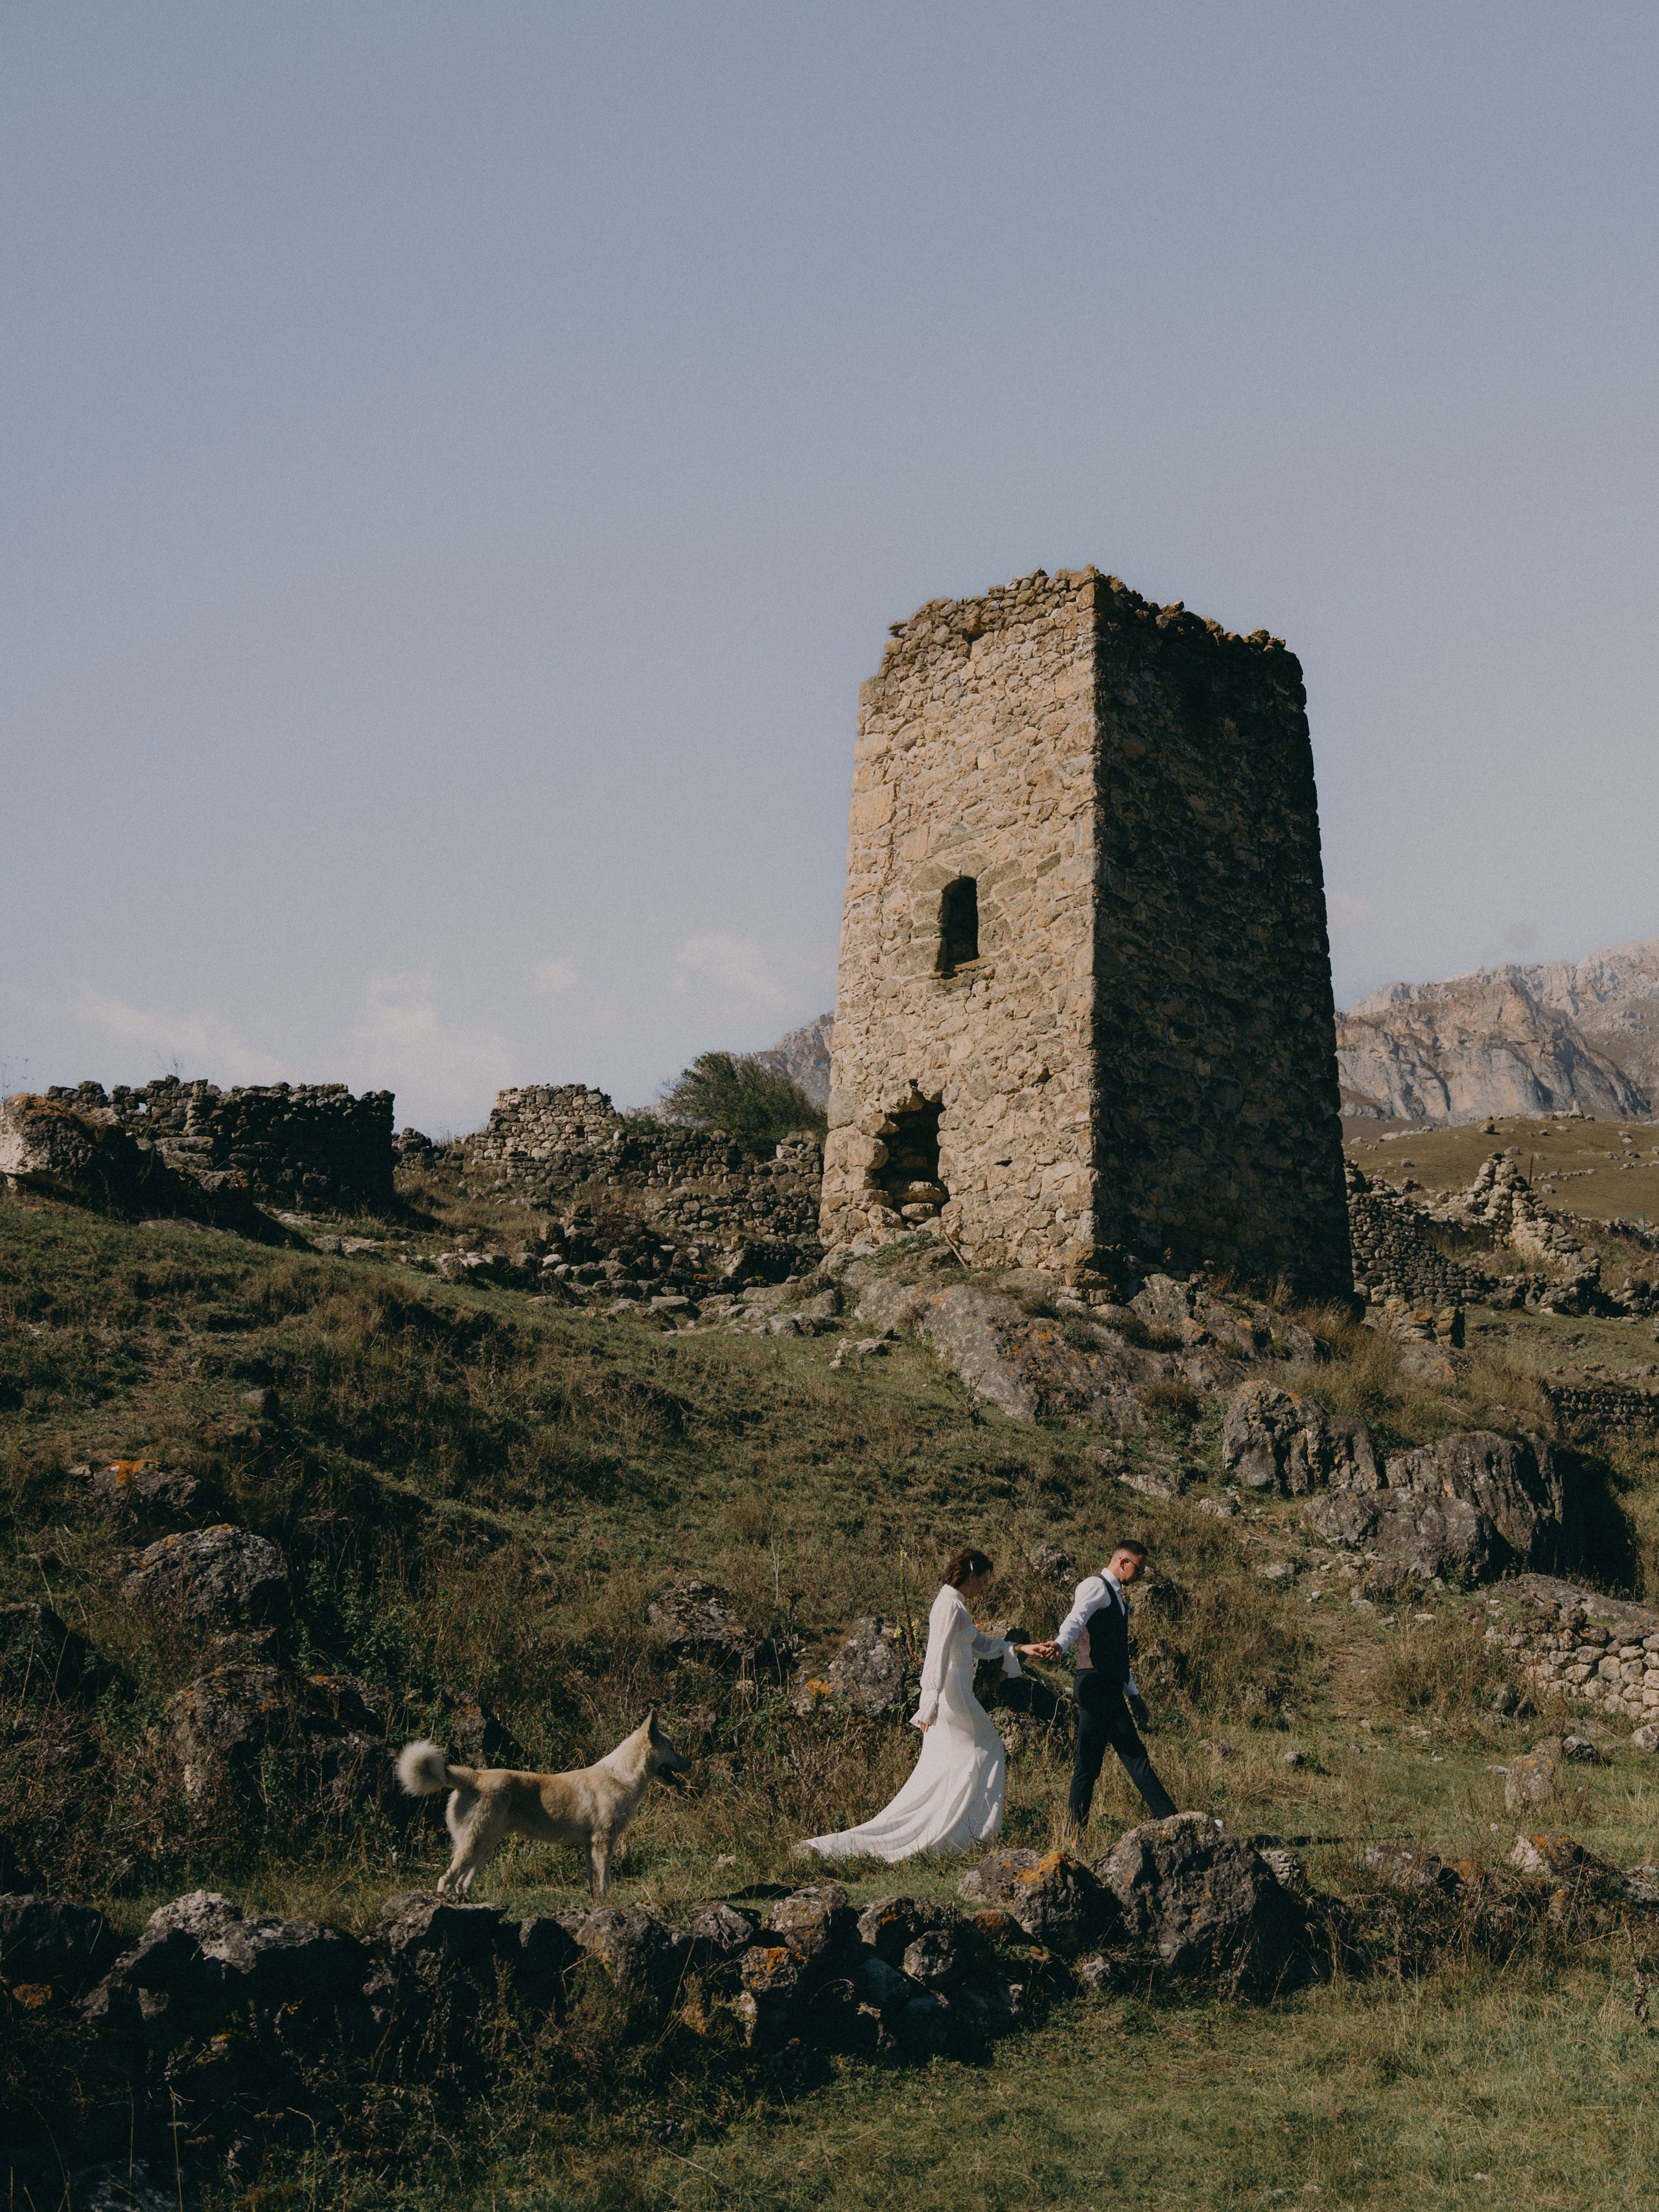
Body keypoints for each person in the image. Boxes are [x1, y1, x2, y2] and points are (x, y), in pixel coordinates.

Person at [798, 1547, 1025, 1862]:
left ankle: (960, 1828)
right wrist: (929, 1701)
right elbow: (937, 1654)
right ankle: (968, 1832)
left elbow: (978, 1645)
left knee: (954, 1763)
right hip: (953, 1694)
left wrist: (1016, 1647)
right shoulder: (949, 1606)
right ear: (971, 1575)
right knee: (989, 1748)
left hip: (954, 1693)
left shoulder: (954, 1604)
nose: (984, 1589)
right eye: (983, 1582)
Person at [1027, 1540, 1178, 1834]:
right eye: (1140, 1568)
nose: (1141, 1575)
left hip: (1104, 1684)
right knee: (1134, 1757)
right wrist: (1060, 1643)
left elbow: (1117, 1653)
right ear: (1124, 1563)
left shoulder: (1118, 1597)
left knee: (1089, 1766)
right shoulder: (1095, 1587)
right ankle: (1174, 1822)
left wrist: (1134, 1695)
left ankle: (1073, 1835)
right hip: (1097, 1685)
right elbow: (1076, 1618)